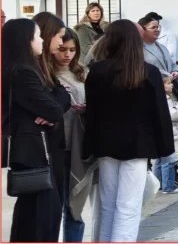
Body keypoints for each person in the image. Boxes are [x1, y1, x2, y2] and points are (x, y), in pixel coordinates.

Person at [83, 19, 175, 242]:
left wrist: (89, 146)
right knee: (129, 207)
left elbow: (91, 113)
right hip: (138, 146)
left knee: (107, 205)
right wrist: (166, 150)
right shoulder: (149, 72)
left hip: (105, 145)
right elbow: (160, 115)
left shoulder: (96, 71)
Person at [2, 18, 71, 242]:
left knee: (40, 217)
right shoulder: (21, 72)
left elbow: (58, 99)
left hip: (40, 152)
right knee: (39, 219)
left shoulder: (28, 69)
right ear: (26, 40)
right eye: (38, 35)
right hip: (33, 154)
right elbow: (53, 109)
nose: (42, 40)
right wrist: (55, 104)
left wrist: (54, 103)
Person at [54, 27, 96, 241]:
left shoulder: (83, 73)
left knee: (74, 207)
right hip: (56, 146)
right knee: (54, 207)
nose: (67, 55)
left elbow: (97, 102)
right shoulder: (46, 74)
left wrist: (89, 107)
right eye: (62, 49)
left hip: (79, 146)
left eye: (72, 50)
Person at [75, 3, 108, 67]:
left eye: (98, 10)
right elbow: (85, 47)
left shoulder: (106, 26)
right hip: (88, 62)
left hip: (104, 60)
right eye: (93, 11)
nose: (96, 13)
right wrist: (105, 50)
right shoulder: (82, 28)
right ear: (88, 14)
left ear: (101, 12)